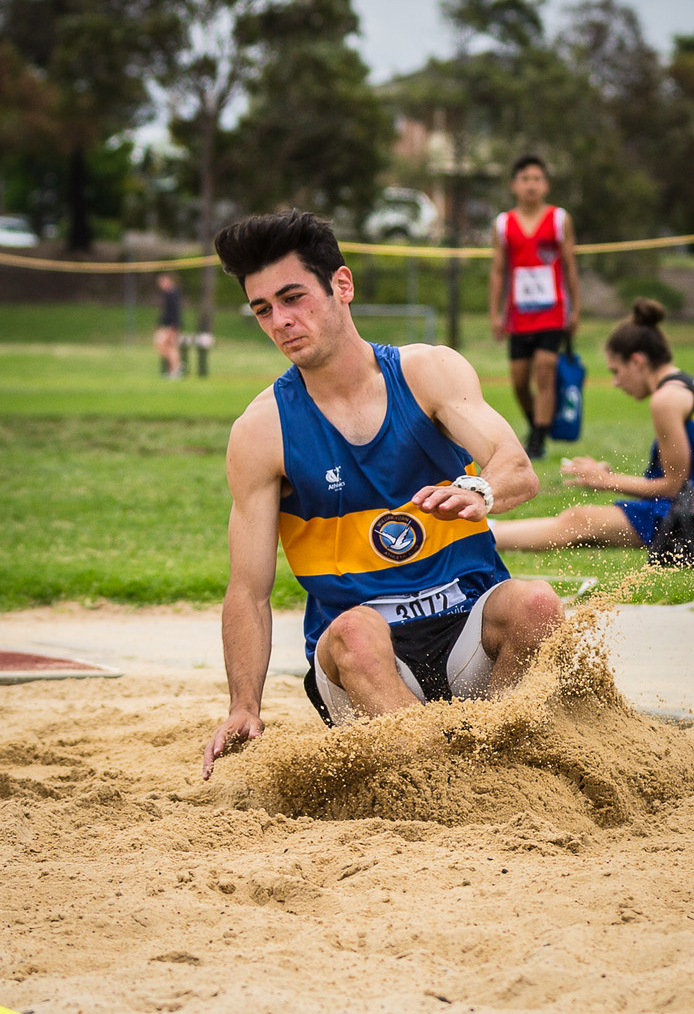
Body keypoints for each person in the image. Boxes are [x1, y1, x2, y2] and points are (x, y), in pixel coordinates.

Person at [202, 210, 565, 781]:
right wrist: (243, 707)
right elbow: (248, 590)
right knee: (352, 631)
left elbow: (517, 468)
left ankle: (503, 767)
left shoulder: (429, 372)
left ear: (341, 285)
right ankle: (446, 783)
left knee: (538, 603)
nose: (281, 321)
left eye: (293, 297)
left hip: (468, 637)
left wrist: (479, 488)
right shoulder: (262, 429)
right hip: (366, 666)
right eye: (263, 309)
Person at [492, 298, 694, 553]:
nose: (615, 383)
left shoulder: (666, 399)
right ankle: (489, 532)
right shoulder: (689, 385)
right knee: (585, 521)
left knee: (579, 521)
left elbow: (674, 487)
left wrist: (605, 480)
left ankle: (479, 537)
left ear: (637, 362)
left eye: (616, 371)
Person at [490, 154, 580, 460]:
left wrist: (575, 308)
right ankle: (536, 425)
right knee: (518, 382)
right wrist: (495, 313)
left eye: (537, 179)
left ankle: (539, 440)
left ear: (547, 185)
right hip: (519, 315)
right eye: (525, 179)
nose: (531, 185)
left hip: (552, 311)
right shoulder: (504, 224)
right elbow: (498, 270)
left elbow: (570, 265)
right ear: (514, 184)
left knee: (545, 372)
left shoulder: (558, 219)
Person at [154, 273, 183, 378]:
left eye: (162, 281)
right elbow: (165, 312)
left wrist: (173, 326)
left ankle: (177, 368)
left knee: (169, 346)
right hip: (166, 325)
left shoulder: (173, 293)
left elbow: (175, 311)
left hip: (171, 325)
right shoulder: (167, 293)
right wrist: (158, 323)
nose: (161, 284)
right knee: (165, 347)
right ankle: (174, 368)